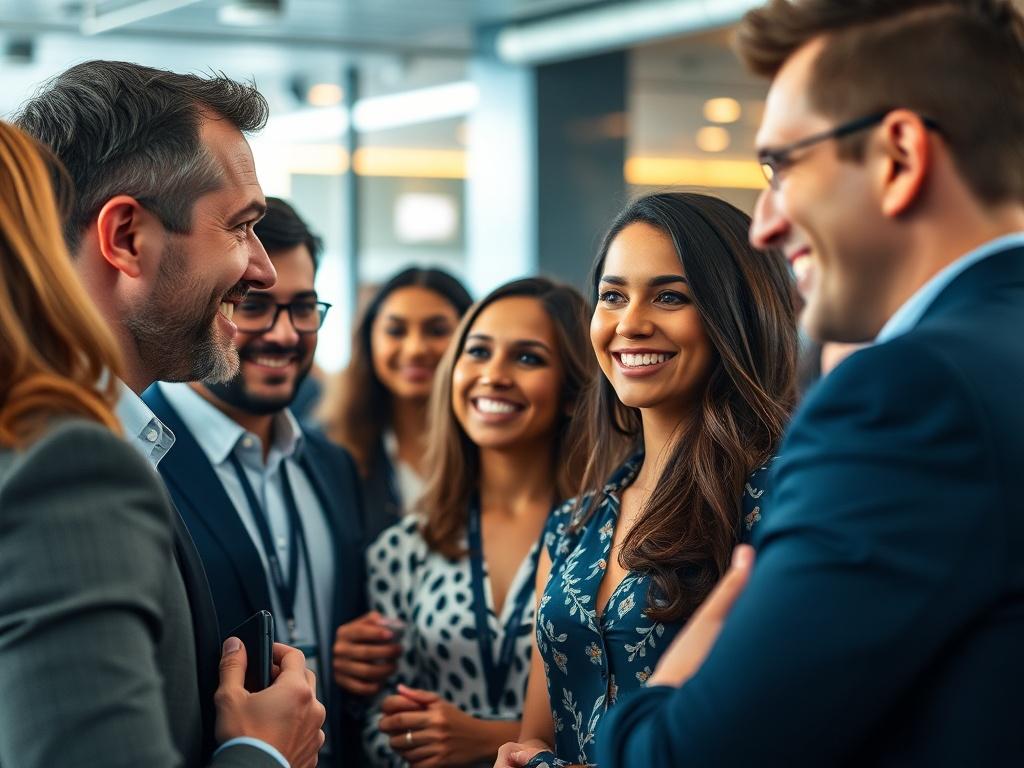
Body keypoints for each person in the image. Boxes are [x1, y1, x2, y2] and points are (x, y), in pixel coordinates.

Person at [594, 1, 1024, 766]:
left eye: (782, 167)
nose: (764, 223)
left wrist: (651, 707)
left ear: (899, 156)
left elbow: (691, 756)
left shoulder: (911, 394)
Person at [14, 62, 324, 765]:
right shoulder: (68, 465)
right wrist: (262, 753)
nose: (262, 271)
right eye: (240, 227)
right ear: (126, 237)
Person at [495, 193, 798, 768]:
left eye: (669, 296)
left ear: (736, 313)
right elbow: (539, 728)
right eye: (612, 296)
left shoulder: (782, 497)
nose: (630, 324)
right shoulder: (572, 524)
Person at [142, 197, 365, 768]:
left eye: (305, 308)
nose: (286, 335)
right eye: (258, 307)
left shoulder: (333, 465)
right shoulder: (137, 455)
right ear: (215, 306)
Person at [347, 277, 595, 767]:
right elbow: (377, 722)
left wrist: (488, 739)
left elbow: (629, 710)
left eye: (528, 358)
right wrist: (416, 739)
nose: (494, 375)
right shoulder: (405, 546)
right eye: (478, 353)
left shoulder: (606, 537)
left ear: (572, 390)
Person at [319, 267, 473, 542]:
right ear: (369, 340)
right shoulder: (328, 452)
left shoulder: (493, 453)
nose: (415, 348)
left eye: (437, 330)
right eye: (395, 330)